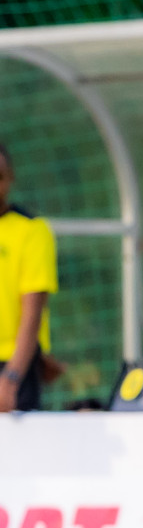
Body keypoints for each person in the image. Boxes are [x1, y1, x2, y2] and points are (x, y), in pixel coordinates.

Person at [0, 142, 58, 414]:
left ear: (10, 179)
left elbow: (32, 312)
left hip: (12, 366)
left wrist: (11, 378)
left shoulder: (32, 230)